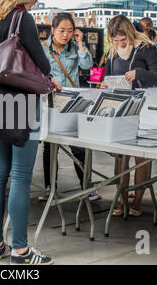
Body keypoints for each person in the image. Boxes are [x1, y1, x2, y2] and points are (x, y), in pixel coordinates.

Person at [0, 0, 53, 265]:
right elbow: (42, 64)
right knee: (21, 177)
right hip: (22, 101)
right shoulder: (23, 19)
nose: (36, 2)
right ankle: (21, 251)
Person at [101, 14, 157, 217]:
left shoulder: (145, 48)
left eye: (123, 40)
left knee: (140, 157)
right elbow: (107, 76)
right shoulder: (112, 51)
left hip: (143, 108)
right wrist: (105, 83)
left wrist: (139, 73)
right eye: (116, 41)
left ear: (129, 33)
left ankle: (137, 201)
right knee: (120, 157)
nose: (120, 43)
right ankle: (121, 200)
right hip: (121, 108)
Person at [40, 12, 101, 201]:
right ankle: (50, 188)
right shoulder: (42, 48)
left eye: (69, 31)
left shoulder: (75, 47)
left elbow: (87, 64)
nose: (65, 35)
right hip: (50, 101)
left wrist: (81, 43)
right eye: (61, 30)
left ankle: (86, 187)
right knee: (50, 146)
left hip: (73, 101)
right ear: (52, 30)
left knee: (78, 146)